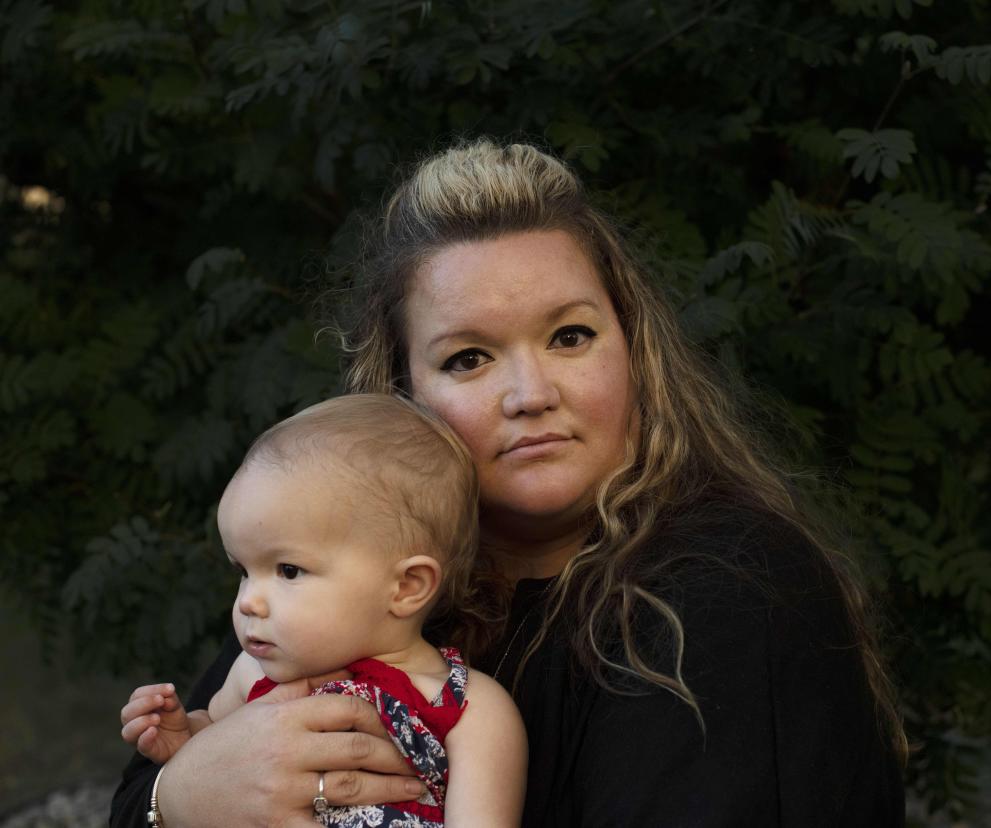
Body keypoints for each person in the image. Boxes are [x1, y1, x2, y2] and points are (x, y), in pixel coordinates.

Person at [112, 140, 906, 827]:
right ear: (403, 397)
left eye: (570, 336)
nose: (531, 394)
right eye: (469, 358)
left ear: (634, 352)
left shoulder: (732, 588)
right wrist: (177, 797)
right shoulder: (345, 567)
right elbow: (143, 795)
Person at [116, 394, 525, 827]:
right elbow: (219, 763)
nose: (248, 601)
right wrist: (184, 738)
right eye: (243, 571)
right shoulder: (253, 675)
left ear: (406, 587)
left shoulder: (467, 708)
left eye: (288, 570)